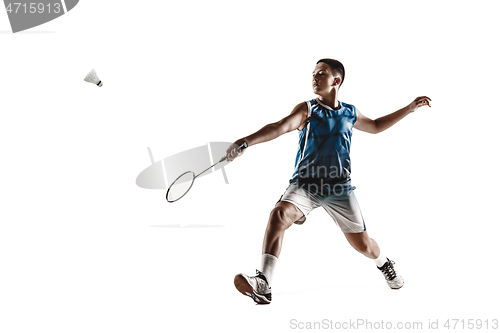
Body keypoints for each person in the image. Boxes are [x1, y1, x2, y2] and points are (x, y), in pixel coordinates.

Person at [226, 58, 431, 304]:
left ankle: (384, 262)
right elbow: (279, 127)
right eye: (313, 73)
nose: (314, 77)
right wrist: (246, 141)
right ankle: (264, 282)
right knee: (278, 214)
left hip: (340, 190)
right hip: (305, 185)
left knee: (364, 246)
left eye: (320, 74)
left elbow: (375, 126)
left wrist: (408, 109)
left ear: (336, 81)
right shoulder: (307, 110)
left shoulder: (350, 112)